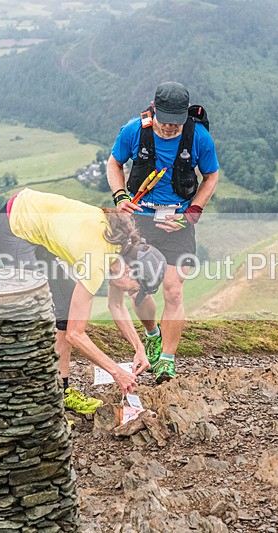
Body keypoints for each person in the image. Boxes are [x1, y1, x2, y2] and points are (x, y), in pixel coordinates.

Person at [0, 188, 167, 413]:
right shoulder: (97, 260)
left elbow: (115, 305)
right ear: (131, 270)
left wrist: (139, 348)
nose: (131, 292)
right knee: (37, 312)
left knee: (64, 311)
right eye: (134, 289)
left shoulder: (121, 250)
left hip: (37, 225)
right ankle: (27, 398)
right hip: (14, 224)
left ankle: (61, 393)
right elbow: (76, 334)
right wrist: (117, 372)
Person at [107, 81, 219, 383]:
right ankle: (152, 334)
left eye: (176, 123)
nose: (170, 128)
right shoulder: (134, 130)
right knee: (138, 288)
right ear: (154, 109)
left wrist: (192, 213)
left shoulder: (199, 136)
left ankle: (167, 359)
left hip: (177, 223)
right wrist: (120, 196)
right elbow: (114, 163)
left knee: (173, 289)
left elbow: (210, 176)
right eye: (165, 121)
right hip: (139, 221)